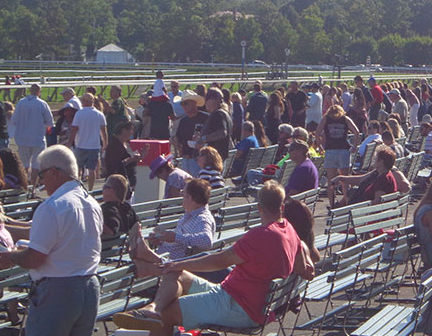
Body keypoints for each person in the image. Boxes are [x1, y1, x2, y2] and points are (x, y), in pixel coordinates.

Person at [113, 181, 313, 335]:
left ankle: (155, 298)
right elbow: (303, 269)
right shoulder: (288, 230)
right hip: (245, 299)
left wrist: (179, 262)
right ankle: (153, 306)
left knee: (168, 314)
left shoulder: (261, 235)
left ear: (259, 208)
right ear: (281, 207)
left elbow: (219, 261)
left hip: (239, 305)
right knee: (178, 274)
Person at [0, 145, 102, 336]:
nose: (41, 181)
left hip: (58, 292)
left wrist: (12, 257)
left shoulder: (52, 206)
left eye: (41, 175)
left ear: (53, 172)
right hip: (89, 287)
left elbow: (35, 258)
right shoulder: (91, 203)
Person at [126, 178, 217, 279]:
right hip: (170, 257)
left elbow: (207, 240)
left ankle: (147, 254)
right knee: (137, 263)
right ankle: (145, 253)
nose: (181, 197)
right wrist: (161, 240)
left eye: (183, 194)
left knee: (135, 266)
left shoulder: (202, 219)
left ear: (190, 198)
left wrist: (175, 237)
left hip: (175, 266)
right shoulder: (191, 215)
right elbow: (180, 240)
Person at [316, 105, 360, 205]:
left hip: (330, 150)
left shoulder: (326, 119)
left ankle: (332, 204)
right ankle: (347, 202)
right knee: (345, 179)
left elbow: (317, 133)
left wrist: (320, 146)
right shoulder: (345, 119)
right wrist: (354, 145)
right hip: (344, 150)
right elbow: (356, 131)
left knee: (331, 180)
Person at [12, 84, 53, 183]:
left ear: (30, 91)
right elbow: (50, 122)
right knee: (36, 164)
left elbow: (14, 120)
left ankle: (26, 185)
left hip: (22, 139)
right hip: (37, 139)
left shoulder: (21, 103)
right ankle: (33, 187)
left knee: (25, 164)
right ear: (39, 92)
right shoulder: (42, 103)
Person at [331, 146, 397, 207]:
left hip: (370, 215)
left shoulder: (384, 179)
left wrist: (359, 206)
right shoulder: (378, 173)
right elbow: (361, 179)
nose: (374, 160)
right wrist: (340, 178)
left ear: (381, 162)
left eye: (376, 158)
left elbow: (377, 202)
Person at [69, 93, 107, 191]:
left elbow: (74, 129)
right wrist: (105, 143)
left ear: (84, 102)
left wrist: (69, 142)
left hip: (81, 144)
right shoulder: (99, 114)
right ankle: (90, 189)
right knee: (92, 169)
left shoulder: (79, 113)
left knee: (78, 169)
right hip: (94, 146)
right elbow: (104, 131)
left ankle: (77, 188)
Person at [173, 91, 209, 178]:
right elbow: (178, 137)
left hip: (200, 158)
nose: (183, 106)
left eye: (186, 103)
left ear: (194, 103)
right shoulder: (183, 121)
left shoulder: (206, 118)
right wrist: (177, 144)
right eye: (182, 104)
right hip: (186, 159)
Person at [105, 121, 146, 191]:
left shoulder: (127, 144)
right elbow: (115, 165)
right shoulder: (113, 146)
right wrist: (131, 159)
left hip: (130, 180)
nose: (132, 133)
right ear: (124, 130)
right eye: (131, 130)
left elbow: (130, 161)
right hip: (118, 182)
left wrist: (140, 156)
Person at [197, 88, 232, 160]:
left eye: (207, 99)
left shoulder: (218, 114)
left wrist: (203, 139)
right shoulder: (224, 113)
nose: (205, 102)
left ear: (214, 100)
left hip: (215, 157)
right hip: (220, 156)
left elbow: (222, 132)